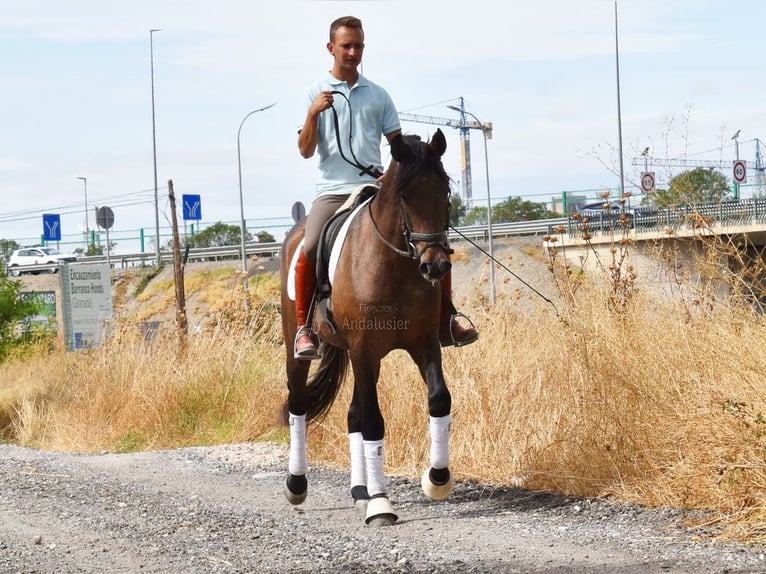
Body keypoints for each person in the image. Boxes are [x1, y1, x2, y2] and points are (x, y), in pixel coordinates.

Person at [294, 15, 478, 360]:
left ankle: (447, 319)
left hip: (373, 188)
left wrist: (393, 175)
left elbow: (399, 146)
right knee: (311, 242)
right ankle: (305, 329)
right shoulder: (313, 93)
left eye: (358, 45)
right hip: (332, 191)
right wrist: (313, 114)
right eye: (346, 46)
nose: (352, 52)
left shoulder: (378, 95)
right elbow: (305, 150)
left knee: (433, 239)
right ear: (330, 48)